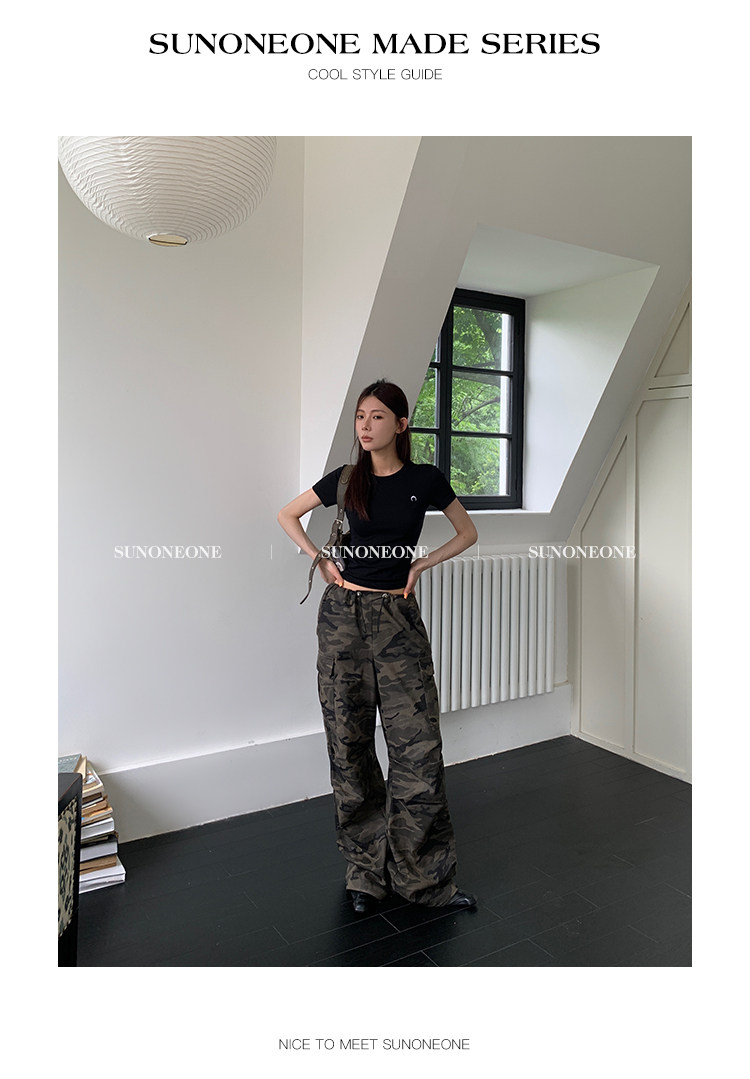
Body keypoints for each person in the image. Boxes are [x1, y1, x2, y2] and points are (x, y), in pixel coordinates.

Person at [277, 379, 479, 914]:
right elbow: (287, 514)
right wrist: (320, 559)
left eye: (377, 416)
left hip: (397, 619)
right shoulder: (346, 480)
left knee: (418, 747)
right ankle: (365, 874)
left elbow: (467, 533)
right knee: (349, 744)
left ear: (401, 424)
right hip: (343, 618)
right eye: (360, 417)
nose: (365, 426)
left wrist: (422, 563)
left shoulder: (424, 479)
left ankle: (424, 879)